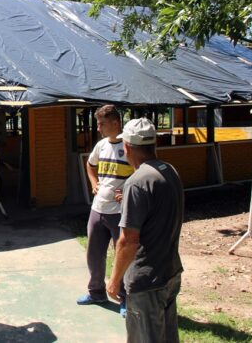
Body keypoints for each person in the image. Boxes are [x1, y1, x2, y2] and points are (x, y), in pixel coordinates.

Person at [106, 118, 184, 343]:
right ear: (154, 144)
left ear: (127, 146)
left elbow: (128, 241)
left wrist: (114, 280)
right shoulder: (169, 170)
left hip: (146, 281)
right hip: (170, 272)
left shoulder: (137, 182)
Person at [77, 105, 133, 318]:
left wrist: (127, 189)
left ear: (115, 123)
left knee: (123, 256)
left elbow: (140, 171)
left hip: (120, 212)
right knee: (94, 254)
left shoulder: (129, 147)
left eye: (102, 124)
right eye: (98, 124)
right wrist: (93, 183)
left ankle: (124, 297)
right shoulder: (101, 146)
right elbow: (90, 165)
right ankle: (96, 292)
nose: (98, 128)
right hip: (98, 209)